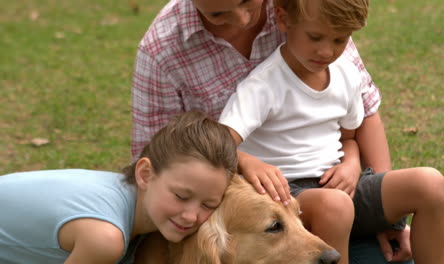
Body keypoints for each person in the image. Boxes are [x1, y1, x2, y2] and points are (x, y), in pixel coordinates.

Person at [130, 0, 412, 262]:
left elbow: (364, 111)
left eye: (246, 1)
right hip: (241, 220)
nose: (242, 19)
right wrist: (241, 160)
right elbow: (157, 161)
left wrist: (385, 218)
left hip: (329, 197)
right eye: (218, 14)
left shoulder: (305, 8)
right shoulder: (161, 50)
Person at [218, 0, 444, 263]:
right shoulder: (262, 86)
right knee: (335, 206)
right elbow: (219, 143)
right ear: (284, 20)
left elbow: (349, 138)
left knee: (431, 184)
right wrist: (249, 162)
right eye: (315, 37)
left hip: (341, 183)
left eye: (340, 40)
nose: (327, 51)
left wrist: (351, 164)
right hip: (287, 195)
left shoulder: (347, 75)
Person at [0, 111, 238, 264]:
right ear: (145, 174)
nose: (190, 216)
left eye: (208, 205)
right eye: (181, 196)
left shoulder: (126, 197)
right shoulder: (105, 238)